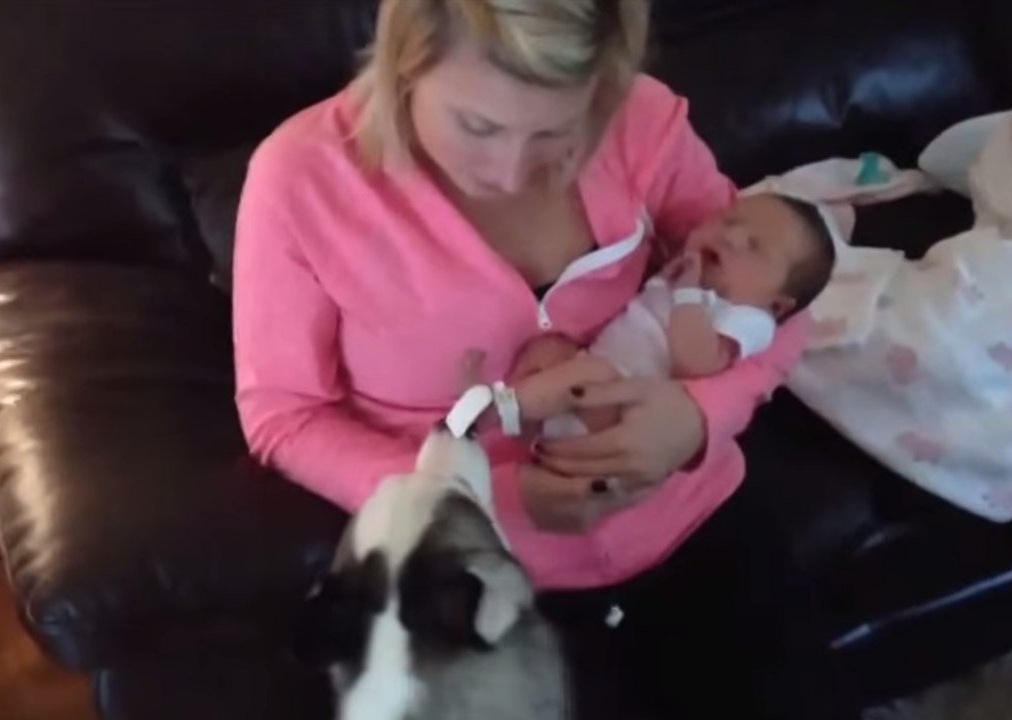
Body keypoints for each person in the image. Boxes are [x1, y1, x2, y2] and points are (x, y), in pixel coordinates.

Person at [232, 0, 852, 717]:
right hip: (486, 584)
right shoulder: (300, 180)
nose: (509, 171)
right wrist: (480, 497)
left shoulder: (639, 119)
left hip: (696, 521)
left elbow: (784, 296)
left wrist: (697, 416)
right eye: (478, 125)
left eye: (556, 131)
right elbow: (283, 416)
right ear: (405, 66)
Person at [510, 193, 837, 466]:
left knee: (578, 377)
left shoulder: (748, 319)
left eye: (755, 246)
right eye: (727, 219)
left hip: (626, 410)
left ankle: (496, 412)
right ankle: (500, 416)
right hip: (596, 380)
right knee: (556, 379)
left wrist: (688, 294)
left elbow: (696, 362)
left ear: (777, 305)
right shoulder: (687, 274)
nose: (730, 236)